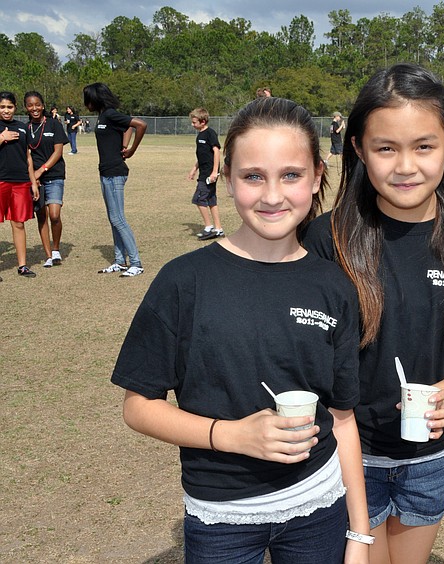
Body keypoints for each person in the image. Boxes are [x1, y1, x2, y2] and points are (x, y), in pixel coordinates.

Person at [111, 96, 370, 564]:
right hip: (222, 518)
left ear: (316, 178)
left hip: (320, 508)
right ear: (227, 179)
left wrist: (360, 534)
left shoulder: (335, 286)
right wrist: (230, 436)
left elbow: (344, 420)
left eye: (290, 175)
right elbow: (138, 408)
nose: (273, 195)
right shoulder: (183, 281)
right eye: (254, 177)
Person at [302, 63, 444, 564]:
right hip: (346, 453)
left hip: (427, 456)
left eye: (424, 146)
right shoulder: (326, 239)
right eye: (386, 148)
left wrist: (443, 395)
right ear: (358, 150)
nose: (405, 165)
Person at [83, 82, 146, 277]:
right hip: (105, 172)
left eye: (87, 99)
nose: (86, 104)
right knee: (113, 219)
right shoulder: (104, 116)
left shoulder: (109, 113)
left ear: (95, 98)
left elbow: (140, 125)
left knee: (118, 218)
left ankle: (136, 263)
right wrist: (124, 143)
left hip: (115, 172)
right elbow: (126, 126)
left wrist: (131, 150)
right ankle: (120, 261)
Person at [25, 91, 68, 267]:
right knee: (41, 216)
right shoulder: (25, 128)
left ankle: (56, 248)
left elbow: (58, 152)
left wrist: (41, 170)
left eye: (37, 104)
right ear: (26, 108)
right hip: (36, 180)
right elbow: (26, 154)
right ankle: (49, 255)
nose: (34, 108)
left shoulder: (54, 124)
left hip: (54, 174)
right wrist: (32, 178)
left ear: (43, 105)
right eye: (30, 105)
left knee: (55, 215)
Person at [0, 91, 39, 278]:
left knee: (19, 223)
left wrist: (33, 183)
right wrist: (2, 138)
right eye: (2, 107)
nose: (6, 111)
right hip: (1, 181)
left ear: (15, 107)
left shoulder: (23, 127)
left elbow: (28, 157)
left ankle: (22, 266)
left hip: (21, 182)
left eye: (9, 107)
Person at [186, 107, 223, 240]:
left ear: (202, 122)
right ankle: (218, 229)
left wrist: (214, 172)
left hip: (209, 174)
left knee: (199, 199)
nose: (192, 124)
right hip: (203, 172)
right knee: (211, 200)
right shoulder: (200, 135)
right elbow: (202, 155)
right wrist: (194, 169)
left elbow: (216, 151)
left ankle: (208, 227)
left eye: (194, 122)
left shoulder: (210, 133)